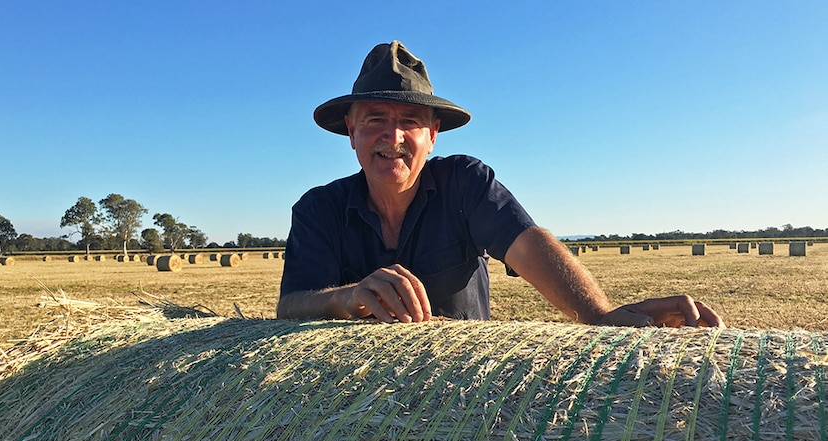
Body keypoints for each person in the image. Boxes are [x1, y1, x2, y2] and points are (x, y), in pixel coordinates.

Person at [277, 41, 724, 329]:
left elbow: (527, 245)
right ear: (351, 132)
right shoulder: (319, 209)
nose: (392, 137)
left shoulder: (465, 183)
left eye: (409, 122)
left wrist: (598, 313)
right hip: (353, 395)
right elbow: (291, 306)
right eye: (376, 120)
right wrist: (349, 297)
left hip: (466, 391)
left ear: (432, 136)